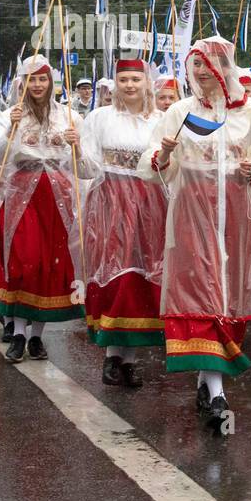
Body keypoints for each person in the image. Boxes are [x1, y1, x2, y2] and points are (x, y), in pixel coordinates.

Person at [139, 36, 251, 431]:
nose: (203, 74)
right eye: (197, 67)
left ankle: (208, 380)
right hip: (192, 214)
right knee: (199, 292)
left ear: (226, 67)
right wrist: (166, 154)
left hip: (238, 215)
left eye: (211, 66)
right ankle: (218, 390)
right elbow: (149, 163)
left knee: (229, 294)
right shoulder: (178, 111)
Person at [0, 55, 86, 363]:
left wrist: (76, 145)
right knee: (22, 262)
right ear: (22, 83)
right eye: (32, 79)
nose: (38, 85)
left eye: (43, 79)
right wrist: (9, 130)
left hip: (57, 198)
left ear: (52, 82)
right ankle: (17, 333)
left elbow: (87, 168)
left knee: (48, 265)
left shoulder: (70, 117)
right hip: (20, 196)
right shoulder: (10, 116)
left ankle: (37, 337)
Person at [80, 59, 167, 388]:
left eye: (135, 79)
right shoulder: (99, 118)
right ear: (114, 83)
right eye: (123, 79)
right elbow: (87, 169)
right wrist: (76, 150)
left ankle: (129, 360)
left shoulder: (161, 120)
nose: (129, 85)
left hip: (150, 205)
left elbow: (168, 168)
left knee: (142, 276)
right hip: (110, 204)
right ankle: (112, 355)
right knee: (114, 274)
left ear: (147, 82)